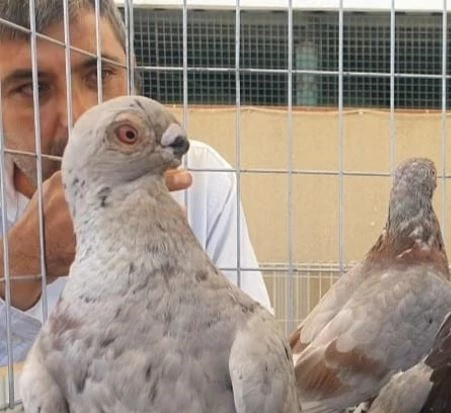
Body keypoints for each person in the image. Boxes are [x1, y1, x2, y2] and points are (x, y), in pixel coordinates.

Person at [0, 0, 272, 365]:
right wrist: (21, 262)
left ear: (133, 77)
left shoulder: (199, 180)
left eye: (99, 75)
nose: (78, 119)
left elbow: (256, 360)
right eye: (32, 88)